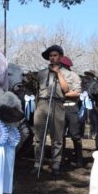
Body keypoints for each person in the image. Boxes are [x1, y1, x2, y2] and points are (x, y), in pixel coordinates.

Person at [32, 44, 72, 177]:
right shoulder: (41, 73)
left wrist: (58, 73)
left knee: (57, 138)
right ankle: (38, 163)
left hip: (57, 104)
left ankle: (56, 165)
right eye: (50, 56)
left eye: (55, 55)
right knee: (38, 137)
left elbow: (66, 90)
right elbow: (37, 91)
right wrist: (37, 106)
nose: (52, 58)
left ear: (60, 57)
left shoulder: (67, 73)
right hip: (42, 104)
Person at [58, 56, 84, 168]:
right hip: (60, 108)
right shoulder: (56, 76)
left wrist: (62, 95)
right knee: (60, 135)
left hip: (71, 107)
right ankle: (60, 159)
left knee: (75, 135)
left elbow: (77, 93)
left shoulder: (74, 76)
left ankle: (79, 159)